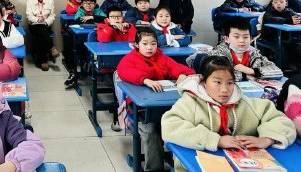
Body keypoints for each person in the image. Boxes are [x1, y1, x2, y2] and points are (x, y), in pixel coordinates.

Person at [162, 56, 296, 172]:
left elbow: (281, 121)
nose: (225, 90)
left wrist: (266, 139)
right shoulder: (190, 103)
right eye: (217, 82)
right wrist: (217, 141)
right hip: (193, 166)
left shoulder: (246, 104)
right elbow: (169, 126)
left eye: (230, 83)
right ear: (202, 81)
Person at [117, 26, 195, 171]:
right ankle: (154, 168)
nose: (149, 47)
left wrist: (182, 75)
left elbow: (176, 67)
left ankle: (181, 164)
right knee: (151, 130)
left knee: (186, 124)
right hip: (141, 108)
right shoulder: (130, 59)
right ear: (136, 45)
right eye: (145, 44)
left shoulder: (161, 57)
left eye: (153, 44)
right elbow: (123, 71)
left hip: (165, 105)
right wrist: (145, 80)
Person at [208, 16, 282, 81]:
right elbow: (220, 73)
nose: (242, 40)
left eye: (246, 37)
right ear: (226, 39)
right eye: (236, 37)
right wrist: (245, 76)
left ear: (251, 39)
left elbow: (278, 72)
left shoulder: (253, 52)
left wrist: (253, 71)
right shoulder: (219, 52)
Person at [25, 0, 59, 71]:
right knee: (39, 29)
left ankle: (43, 61)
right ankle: (51, 47)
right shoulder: (30, 2)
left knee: (40, 35)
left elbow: (52, 15)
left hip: (46, 25)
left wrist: (46, 22)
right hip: (34, 25)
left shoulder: (50, 1)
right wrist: (37, 20)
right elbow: (29, 16)